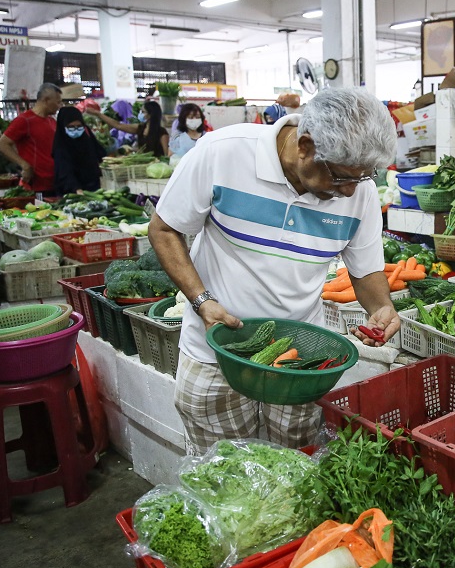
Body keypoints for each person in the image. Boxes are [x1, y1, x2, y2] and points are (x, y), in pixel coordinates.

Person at [147, 86, 400, 455]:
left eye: (360, 179)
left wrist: (380, 308)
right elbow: (164, 229)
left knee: (295, 470)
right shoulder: (222, 153)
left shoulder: (357, 191)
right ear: (305, 146)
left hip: (301, 360)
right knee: (221, 470)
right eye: (341, 177)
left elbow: (366, 272)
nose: (349, 192)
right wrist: (202, 301)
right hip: (215, 352)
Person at [0, 82, 63, 194]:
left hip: (55, 182)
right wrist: (24, 165)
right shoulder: (24, 120)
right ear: (46, 100)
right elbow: (2, 144)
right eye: (58, 102)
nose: (59, 105)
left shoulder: (52, 121)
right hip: (37, 186)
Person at [52, 106, 107, 195]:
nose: (76, 130)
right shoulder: (61, 146)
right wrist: (76, 189)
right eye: (71, 127)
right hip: (71, 191)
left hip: (93, 187)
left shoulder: (86, 135)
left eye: (79, 126)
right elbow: (64, 171)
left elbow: (100, 153)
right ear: (63, 126)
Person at [86, 100, 169, 158]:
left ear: (151, 115)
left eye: (143, 112)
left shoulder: (162, 133)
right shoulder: (140, 128)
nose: (140, 114)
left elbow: (166, 155)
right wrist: (98, 114)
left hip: (155, 165)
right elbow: (118, 125)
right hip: (142, 165)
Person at [168, 102, 211, 167]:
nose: (194, 120)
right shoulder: (177, 136)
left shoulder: (207, 136)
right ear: (183, 119)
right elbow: (170, 155)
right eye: (190, 117)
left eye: (197, 117)